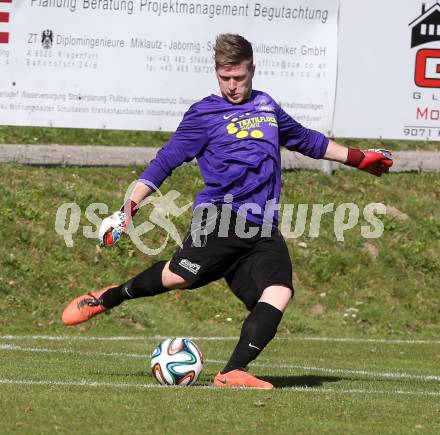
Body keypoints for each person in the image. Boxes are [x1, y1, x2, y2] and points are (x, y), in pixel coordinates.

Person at [62, 34, 393, 389]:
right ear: (216, 74)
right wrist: (127, 208)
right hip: (220, 218)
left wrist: (359, 158)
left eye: (239, 77)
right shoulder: (204, 114)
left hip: (263, 226)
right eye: (225, 78)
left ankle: (232, 372)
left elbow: (307, 140)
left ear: (252, 70)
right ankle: (108, 297)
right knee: (179, 277)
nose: (232, 86)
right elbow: (164, 162)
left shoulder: (267, 106)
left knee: (279, 291)